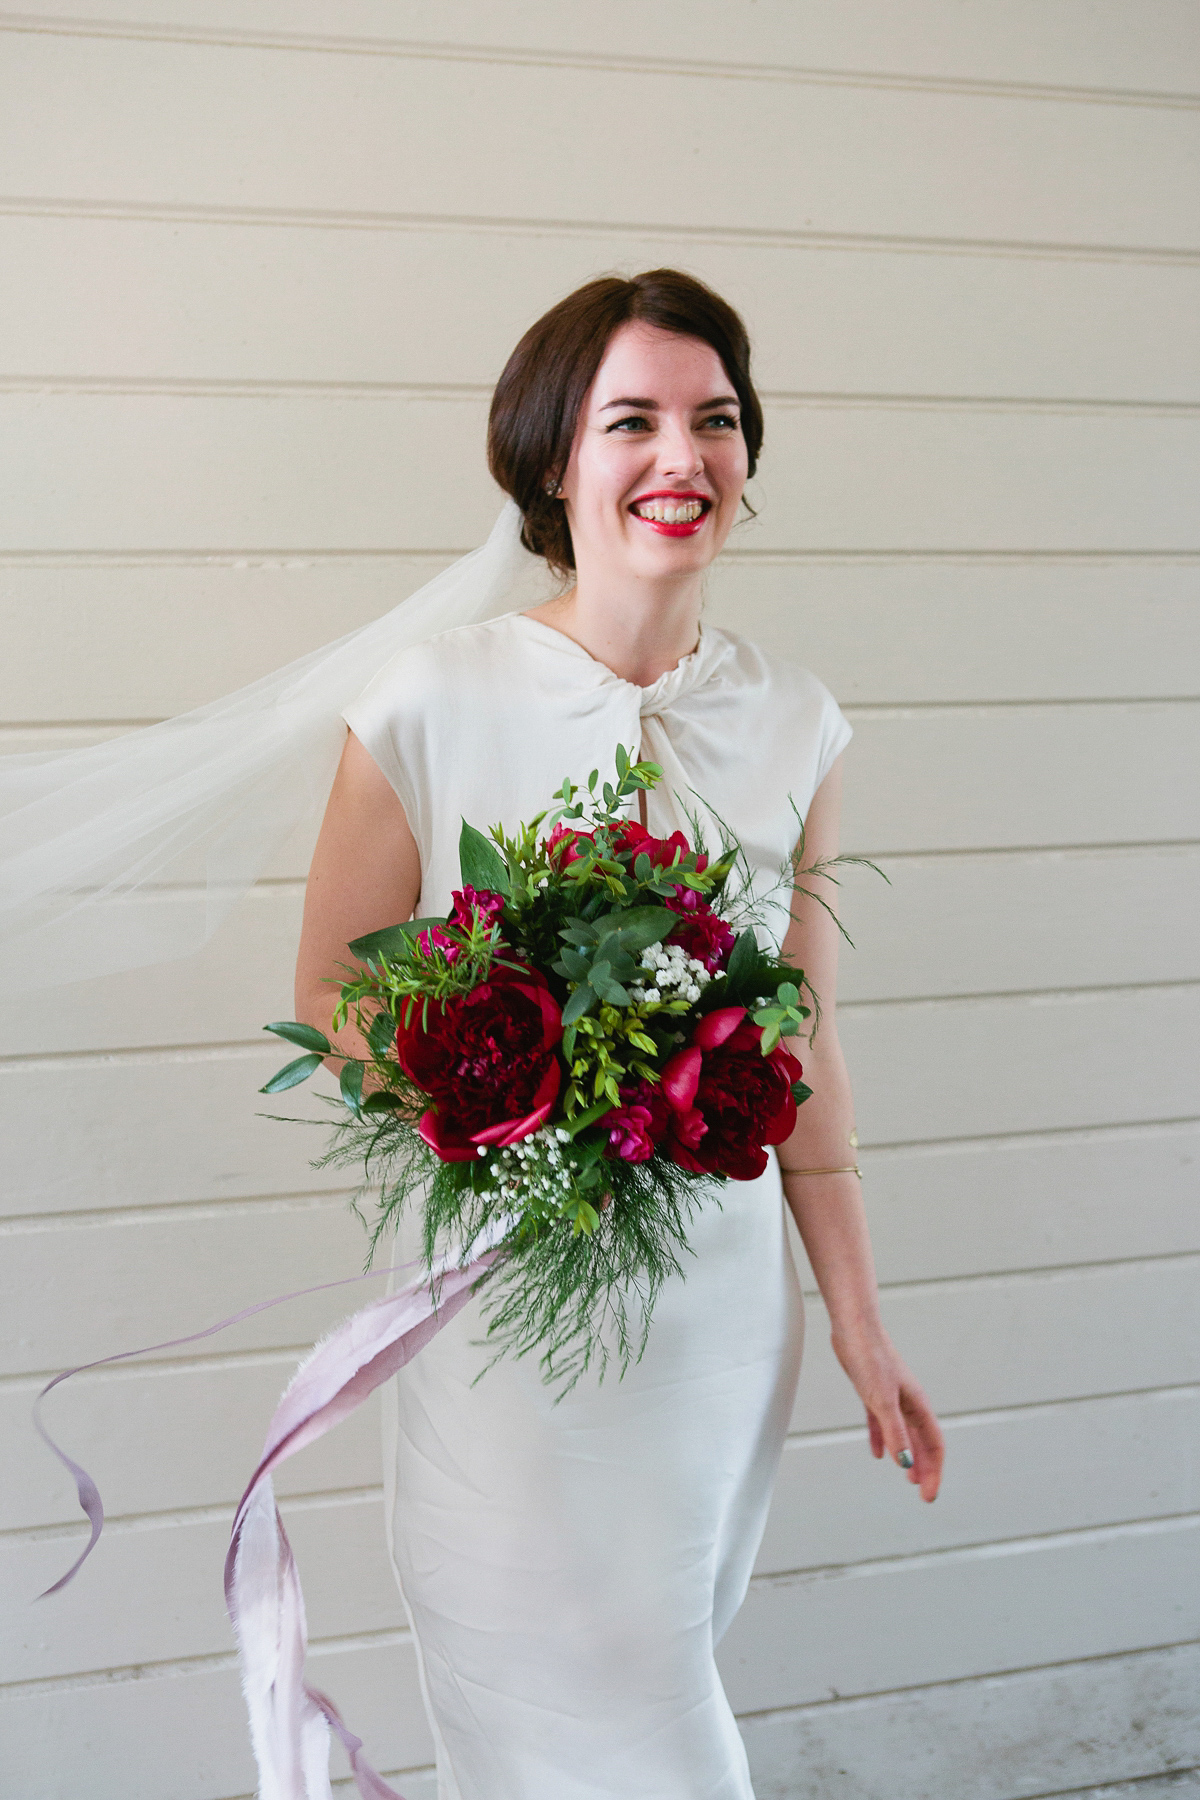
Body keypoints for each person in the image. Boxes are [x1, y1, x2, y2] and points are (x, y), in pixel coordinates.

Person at [293, 269, 944, 1800]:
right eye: (635, 420)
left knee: (658, 1657)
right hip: (515, 1301)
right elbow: (330, 993)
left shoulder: (800, 719)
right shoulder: (429, 700)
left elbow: (808, 1045)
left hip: (720, 1318)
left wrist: (857, 1316)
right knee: (610, 1720)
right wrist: (508, 1102)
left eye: (716, 423)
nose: (683, 459)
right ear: (552, 459)